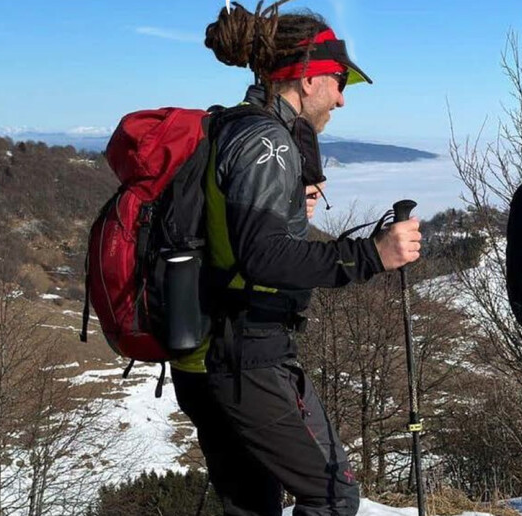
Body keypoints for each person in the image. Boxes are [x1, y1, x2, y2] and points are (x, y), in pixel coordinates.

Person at [170, 3, 421, 516]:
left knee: (252, 503)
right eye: (338, 80)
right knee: (332, 495)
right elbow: (264, 257)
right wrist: (373, 254)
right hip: (248, 352)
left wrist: (288, 211)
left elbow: (233, 236)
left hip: (205, 345)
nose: (342, 98)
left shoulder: (231, 126)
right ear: (307, 79)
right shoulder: (268, 141)